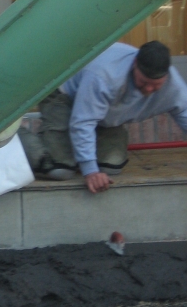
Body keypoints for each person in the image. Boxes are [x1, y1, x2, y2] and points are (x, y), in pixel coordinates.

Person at [19, 41, 187, 194]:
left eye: (156, 85)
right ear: (135, 64)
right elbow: (83, 122)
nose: (149, 89)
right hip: (63, 93)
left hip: (102, 113)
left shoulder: (174, 86)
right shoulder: (105, 75)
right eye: (143, 82)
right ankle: (14, 137)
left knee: (111, 167)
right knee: (60, 169)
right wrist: (90, 170)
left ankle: (70, 149)